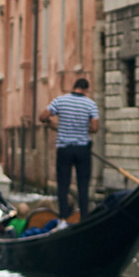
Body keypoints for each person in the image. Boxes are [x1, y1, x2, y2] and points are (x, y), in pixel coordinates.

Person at [42, 76, 101, 218]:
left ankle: (62, 219)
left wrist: (51, 123)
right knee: (83, 186)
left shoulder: (60, 100)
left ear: (74, 87)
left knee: (63, 185)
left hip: (64, 149)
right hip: (82, 149)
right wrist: (81, 128)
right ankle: (84, 218)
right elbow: (94, 128)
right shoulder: (90, 104)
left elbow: (42, 116)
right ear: (86, 89)